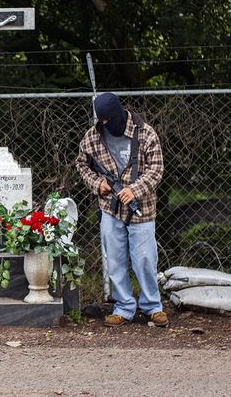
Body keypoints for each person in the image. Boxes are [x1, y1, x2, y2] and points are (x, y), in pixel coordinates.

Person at [75, 92, 168, 328]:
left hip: (142, 208)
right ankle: (124, 307)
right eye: (102, 120)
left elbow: (156, 170)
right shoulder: (93, 137)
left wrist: (134, 190)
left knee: (145, 258)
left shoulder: (145, 133)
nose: (105, 125)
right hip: (109, 208)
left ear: (119, 113)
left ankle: (152, 306)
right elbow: (82, 165)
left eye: (109, 119)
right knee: (115, 259)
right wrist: (99, 185)